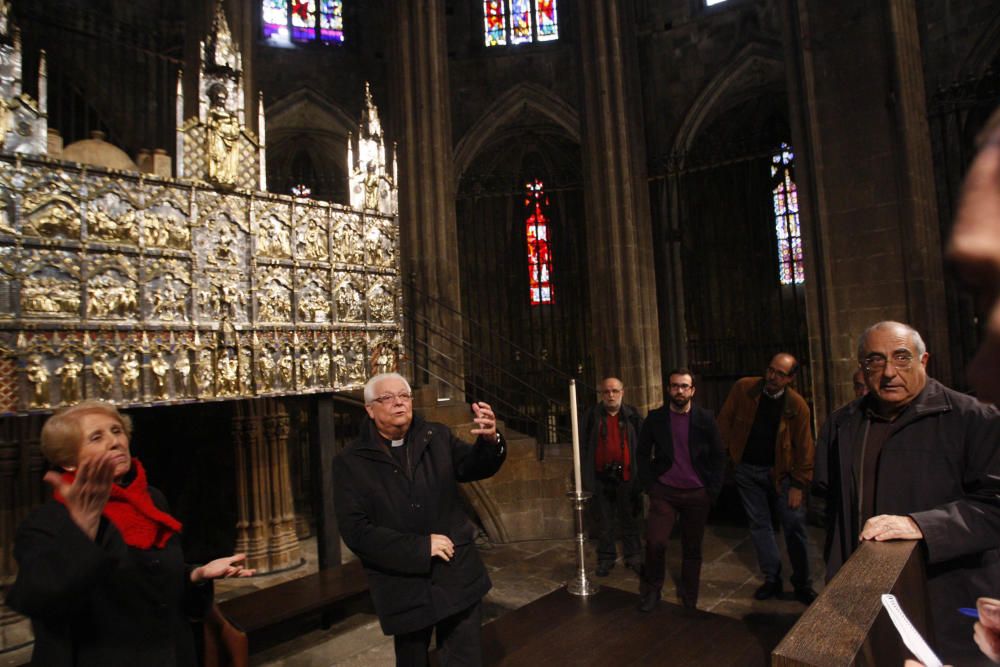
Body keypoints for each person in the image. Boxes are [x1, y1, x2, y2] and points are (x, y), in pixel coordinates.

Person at [6, 400, 252, 666]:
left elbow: (154, 584)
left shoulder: (151, 500)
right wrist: (84, 525)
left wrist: (196, 575)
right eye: (96, 437)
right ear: (67, 460)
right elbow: (41, 601)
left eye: (116, 431)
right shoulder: (47, 522)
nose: (115, 442)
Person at [822, 321, 1000, 663]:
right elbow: (835, 509)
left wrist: (921, 524)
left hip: (946, 593)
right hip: (866, 592)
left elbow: (995, 506)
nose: (889, 371)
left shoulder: (975, 418)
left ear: (924, 360)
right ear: (862, 367)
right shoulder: (842, 423)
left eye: (901, 357)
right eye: (875, 360)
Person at [333, 372, 506, 666]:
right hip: (403, 583)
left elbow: (472, 466)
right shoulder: (350, 462)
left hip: (456, 574)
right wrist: (417, 547)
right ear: (369, 409)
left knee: (465, 658)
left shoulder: (436, 436)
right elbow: (357, 532)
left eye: (404, 396)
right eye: (387, 398)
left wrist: (491, 441)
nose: (399, 403)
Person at [718, 352, 816, 604]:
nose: (772, 377)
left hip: (781, 474)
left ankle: (803, 583)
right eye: (770, 370)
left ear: (791, 378)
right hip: (747, 471)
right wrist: (729, 457)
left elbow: (805, 449)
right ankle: (771, 578)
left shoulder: (797, 406)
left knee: (794, 525)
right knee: (759, 525)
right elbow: (725, 423)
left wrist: (798, 484)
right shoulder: (745, 389)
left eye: (780, 374)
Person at [635, 369, 724, 611]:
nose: (680, 391)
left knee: (692, 547)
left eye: (685, 386)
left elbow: (718, 456)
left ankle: (689, 595)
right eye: (675, 386)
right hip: (664, 490)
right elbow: (642, 454)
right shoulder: (655, 419)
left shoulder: (705, 419)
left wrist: (711, 491)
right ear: (668, 389)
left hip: (697, 493)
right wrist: (650, 485)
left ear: (693, 390)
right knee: (655, 542)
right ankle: (653, 590)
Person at [580, 376, 644, 577]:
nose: (611, 395)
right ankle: (606, 558)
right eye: (606, 391)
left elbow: (642, 448)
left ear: (622, 393)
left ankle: (633, 556)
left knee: (630, 519)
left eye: (615, 391)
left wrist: (641, 477)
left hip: (627, 477)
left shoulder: (633, 416)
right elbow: (582, 446)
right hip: (600, 477)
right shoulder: (592, 416)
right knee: (604, 522)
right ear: (601, 394)